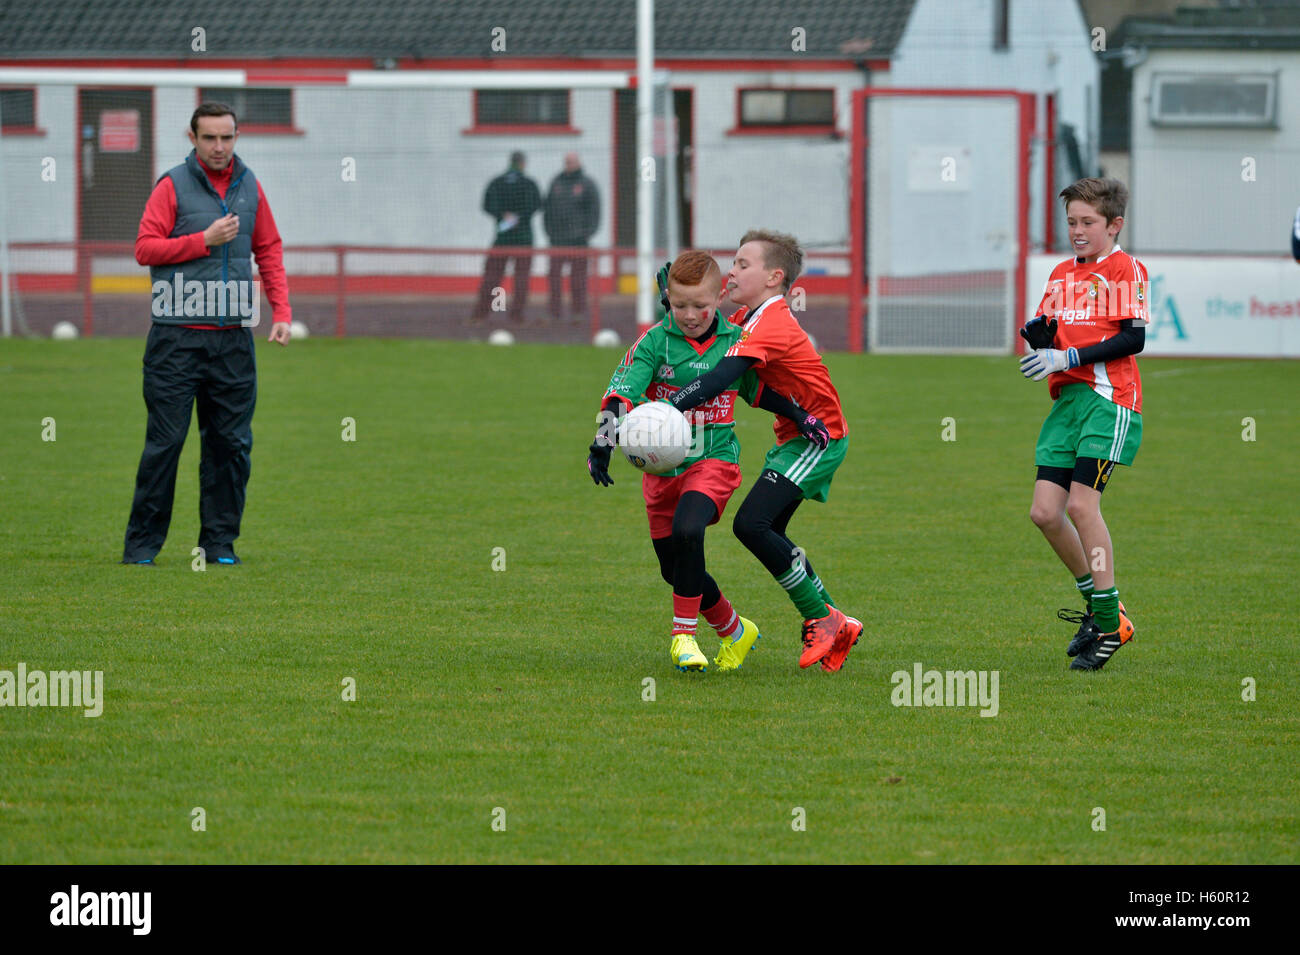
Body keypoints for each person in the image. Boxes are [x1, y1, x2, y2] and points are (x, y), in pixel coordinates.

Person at [586, 250, 831, 672]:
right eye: (680, 305)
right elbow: (621, 393)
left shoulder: (735, 342)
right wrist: (604, 440)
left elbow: (756, 390)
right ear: (668, 298)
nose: (690, 314)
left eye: (700, 305)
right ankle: (735, 629)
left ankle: (683, 637)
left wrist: (800, 415)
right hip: (661, 470)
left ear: (719, 297)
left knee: (689, 527)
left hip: (714, 459)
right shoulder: (654, 342)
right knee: (672, 567)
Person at [663, 231, 863, 672]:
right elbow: (711, 335)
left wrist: (667, 407)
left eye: (742, 264)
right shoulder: (750, 319)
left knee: (751, 525)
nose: (731, 271)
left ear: (774, 278)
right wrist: (672, 300)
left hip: (818, 437)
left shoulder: (771, 320)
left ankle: (820, 617)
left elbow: (722, 376)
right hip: (796, 438)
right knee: (768, 531)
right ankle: (838, 621)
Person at [121, 102, 292, 566]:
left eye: (227, 137)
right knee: (166, 444)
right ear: (192, 138)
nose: (219, 147)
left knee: (231, 445)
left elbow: (268, 249)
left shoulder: (250, 185)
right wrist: (204, 240)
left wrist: (281, 310)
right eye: (210, 138)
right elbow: (144, 248)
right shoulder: (171, 185)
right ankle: (141, 548)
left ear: (237, 137)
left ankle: (218, 545)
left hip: (233, 341)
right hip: (175, 340)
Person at [1019, 177, 1148, 671]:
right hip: (1067, 404)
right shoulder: (1059, 272)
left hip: (1108, 400)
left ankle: (1109, 619)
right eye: (1071, 221)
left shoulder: (1125, 269)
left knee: (1080, 504)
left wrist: (1067, 352)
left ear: (1114, 225)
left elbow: (1132, 340)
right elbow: (1045, 330)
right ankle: (1101, 610)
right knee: (1045, 513)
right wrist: (1038, 340)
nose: (1077, 230)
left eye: (1088, 222)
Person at [471, 151, 541, 325]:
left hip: (501, 238)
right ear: (523, 163)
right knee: (521, 279)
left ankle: (482, 313)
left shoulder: (497, 182)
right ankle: (516, 316)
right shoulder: (529, 183)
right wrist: (519, 217)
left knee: (493, 276)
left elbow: (487, 205)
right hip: (524, 238)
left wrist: (503, 216)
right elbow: (536, 205)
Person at [543, 153, 600, 324]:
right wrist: (549, 232)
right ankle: (554, 313)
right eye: (566, 161)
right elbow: (547, 209)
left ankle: (578, 314)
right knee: (554, 278)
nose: (568, 164)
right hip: (557, 241)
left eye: (572, 161)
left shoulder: (587, 184)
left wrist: (587, 233)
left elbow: (595, 211)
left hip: (578, 242)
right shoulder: (556, 182)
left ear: (578, 162)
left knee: (578, 280)